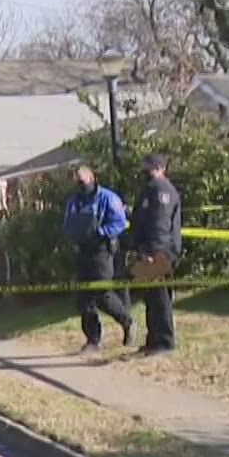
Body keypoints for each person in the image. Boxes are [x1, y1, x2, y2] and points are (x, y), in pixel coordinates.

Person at [61, 165, 134, 351]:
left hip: (101, 251)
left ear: (92, 178)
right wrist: (74, 237)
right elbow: (67, 224)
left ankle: (127, 322)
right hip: (82, 252)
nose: (80, 185)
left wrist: (100, 232)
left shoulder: (107, 198)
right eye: (77, 182)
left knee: (103, 294)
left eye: (83, 181)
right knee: (84, 298)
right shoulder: (74, 201)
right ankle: (93, 340)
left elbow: (120, 222)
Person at [129, 152, 183, 355]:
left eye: (149, 168)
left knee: (160, 298)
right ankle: (153, 340)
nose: (145, 172)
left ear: (160, 168)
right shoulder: (150, 189)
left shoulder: (162, 190)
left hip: (159, 250)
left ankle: (165, 341)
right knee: (151, 298)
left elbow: (159, 224)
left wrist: (153, 251)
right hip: (149, 249)